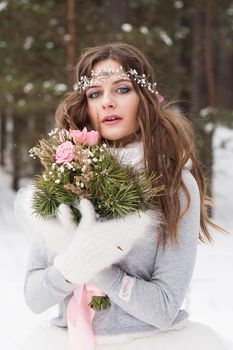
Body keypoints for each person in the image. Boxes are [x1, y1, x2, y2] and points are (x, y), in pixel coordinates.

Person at [15, 42, 233, 350]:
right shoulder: (67, 179)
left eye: (121, 89)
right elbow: (33, 296)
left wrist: (98, 266)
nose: (107, 102)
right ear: (86, 106)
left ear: (143, 98)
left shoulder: (175, 185)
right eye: (94, 93)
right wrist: (70, 266)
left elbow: (163, 308)